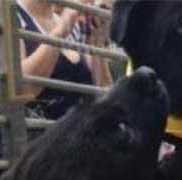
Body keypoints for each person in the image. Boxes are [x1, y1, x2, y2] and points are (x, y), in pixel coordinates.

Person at [15, 0, 112, 137]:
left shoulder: (70, 24)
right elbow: (20, 89)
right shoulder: (11, 14)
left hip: (76, 140)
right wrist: (60, 31)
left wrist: (99, 41)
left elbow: (101, 90)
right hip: (36, 144)